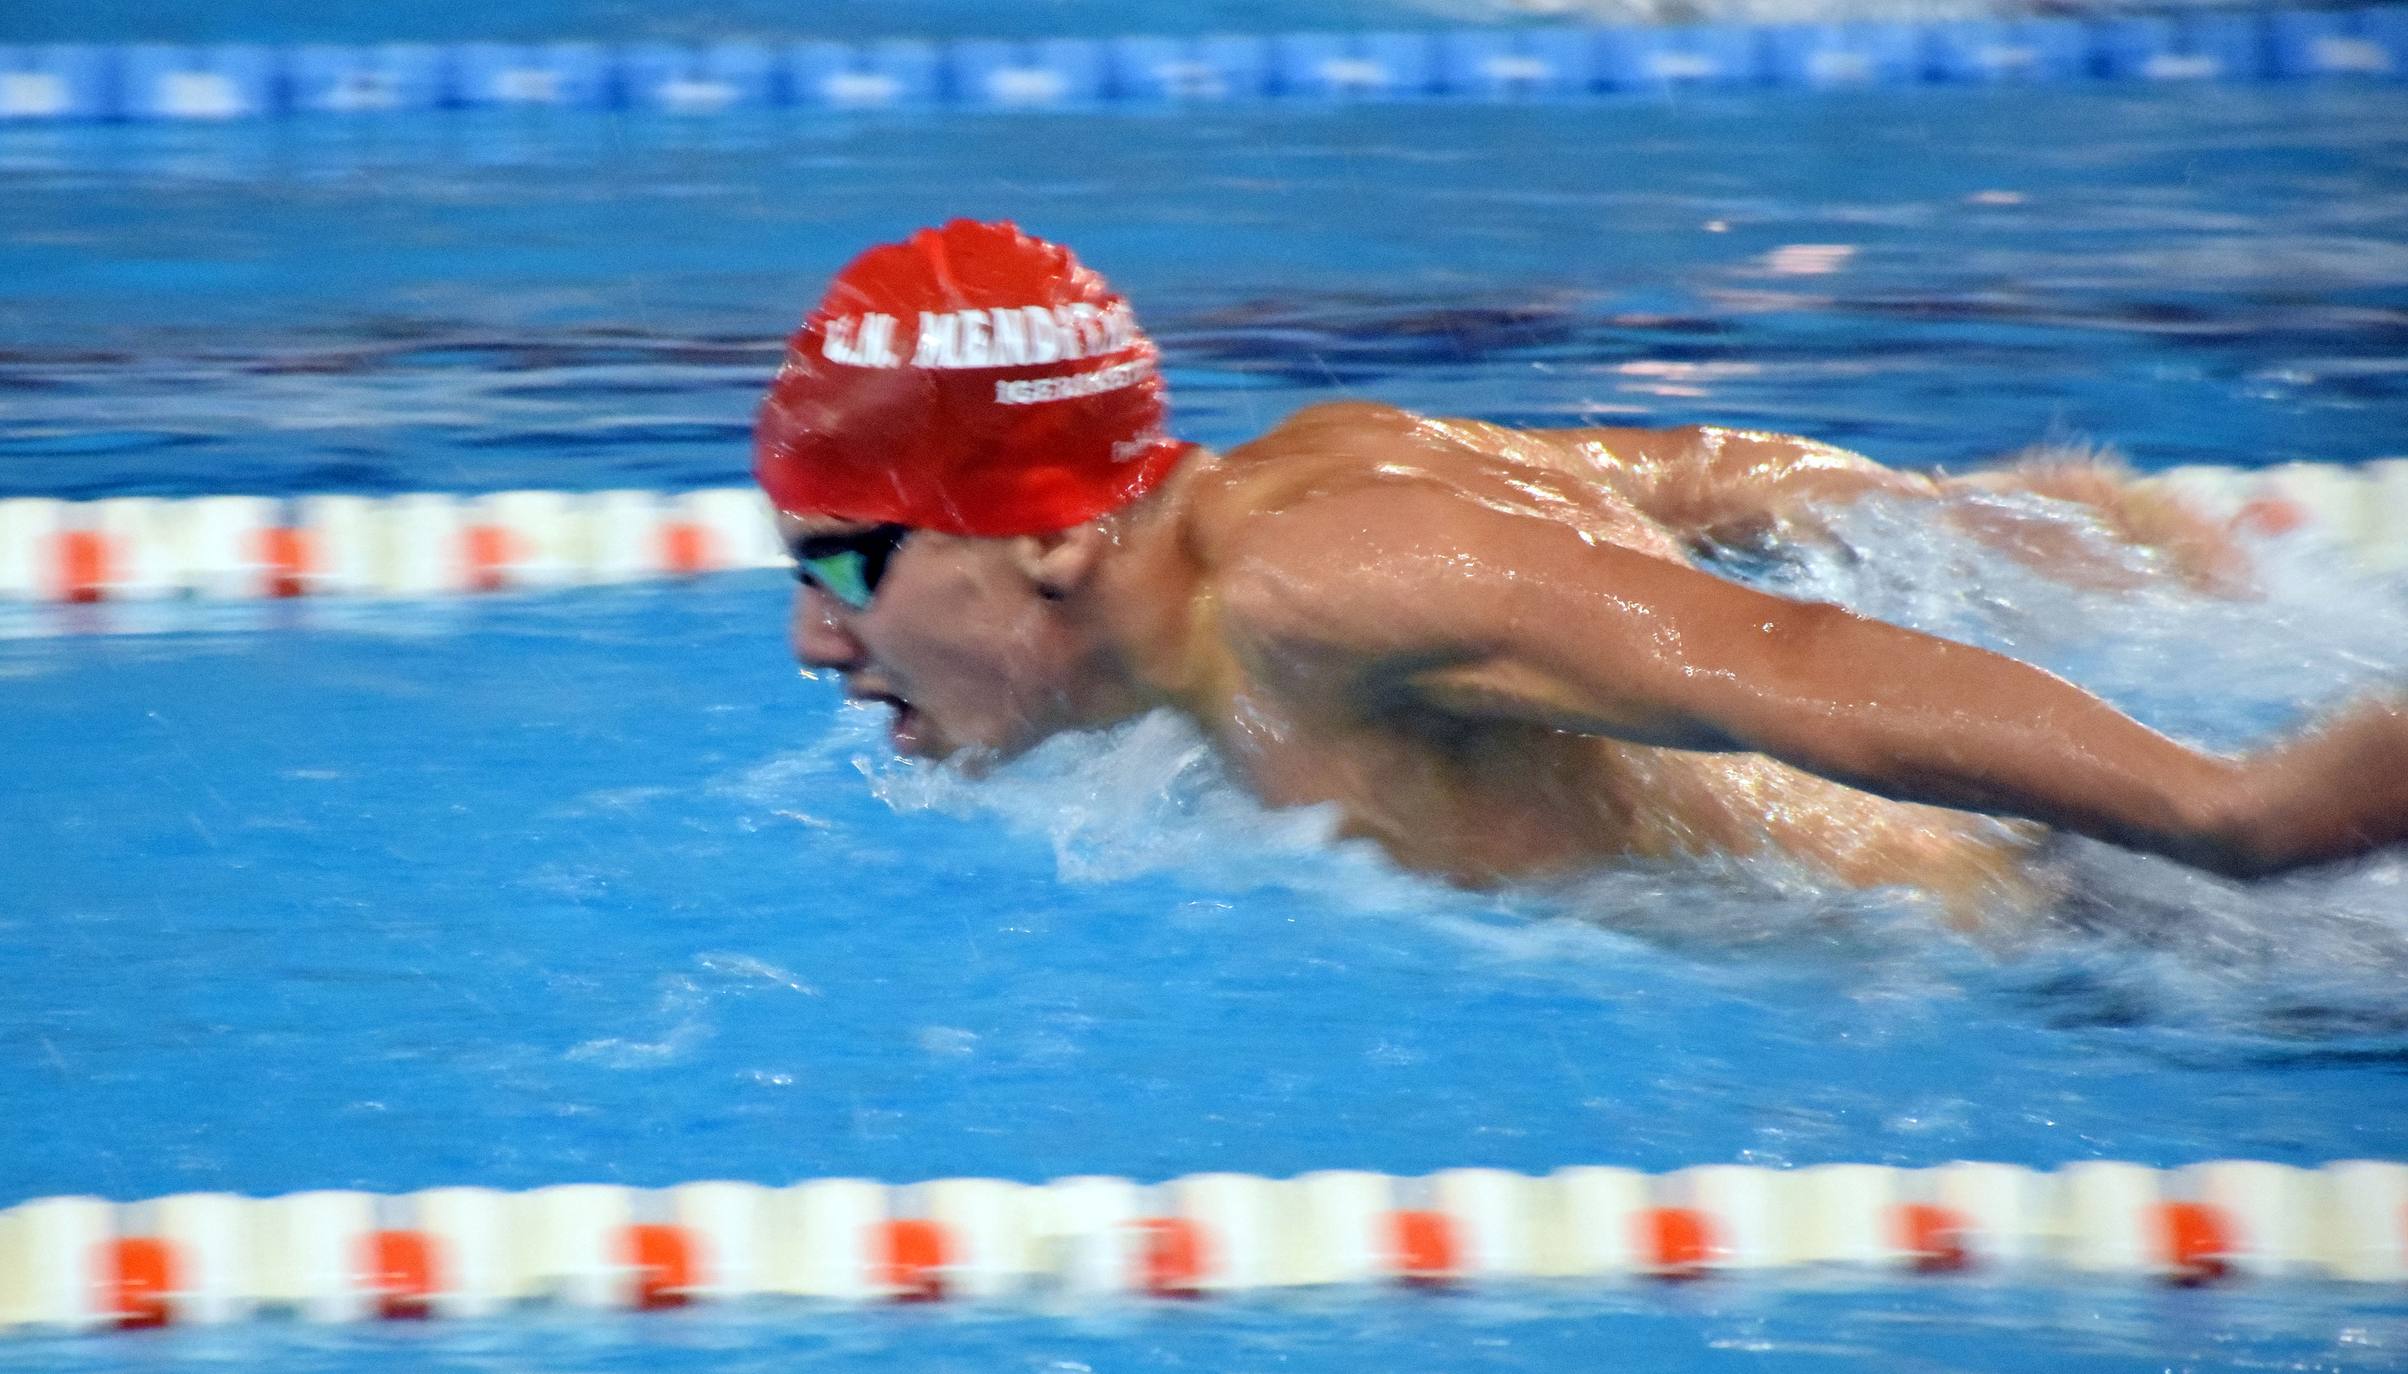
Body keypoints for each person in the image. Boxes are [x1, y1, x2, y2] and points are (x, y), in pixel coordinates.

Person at [754, 219, 2407, 924]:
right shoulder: (1297, 486)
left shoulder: (1317, 581)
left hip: (2090, 941)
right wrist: (1987, 518)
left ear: (1044, 531)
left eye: (842, 557)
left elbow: (1788, 658)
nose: (816, 640)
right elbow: (1688, 478)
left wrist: (2224, 815)